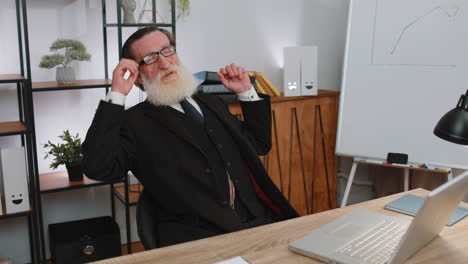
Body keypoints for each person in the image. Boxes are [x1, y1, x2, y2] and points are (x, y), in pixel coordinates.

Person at [82, 26, 298, 248]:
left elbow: (259, 144)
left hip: (260, 221)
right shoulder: (133, 122)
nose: (165, 63)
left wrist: (245, 91)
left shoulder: (211, 103)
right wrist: (117, 93)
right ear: (137, 77)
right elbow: (98, 168)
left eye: (167, 51)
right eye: (150, 59)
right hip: (200, 237)